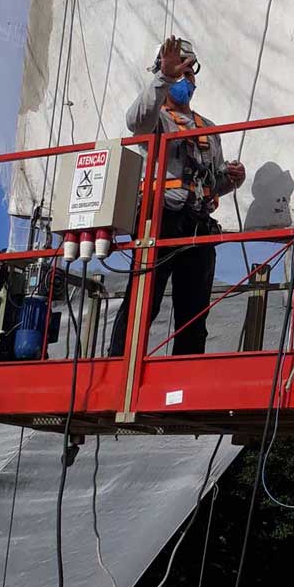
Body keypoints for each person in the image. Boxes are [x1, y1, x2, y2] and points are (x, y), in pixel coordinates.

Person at [109, 36, 245, 356]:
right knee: (143, 303)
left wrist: (230, 179)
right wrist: (164, 78)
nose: (185, 79)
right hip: (161, 220)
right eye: (178, 71)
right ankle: (119, 367)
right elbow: (135, 121)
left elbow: (211, 182)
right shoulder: (156, 119)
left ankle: (183, 375)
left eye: (189, 73)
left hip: (198, 224)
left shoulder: (207, 128)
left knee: (194, 313)